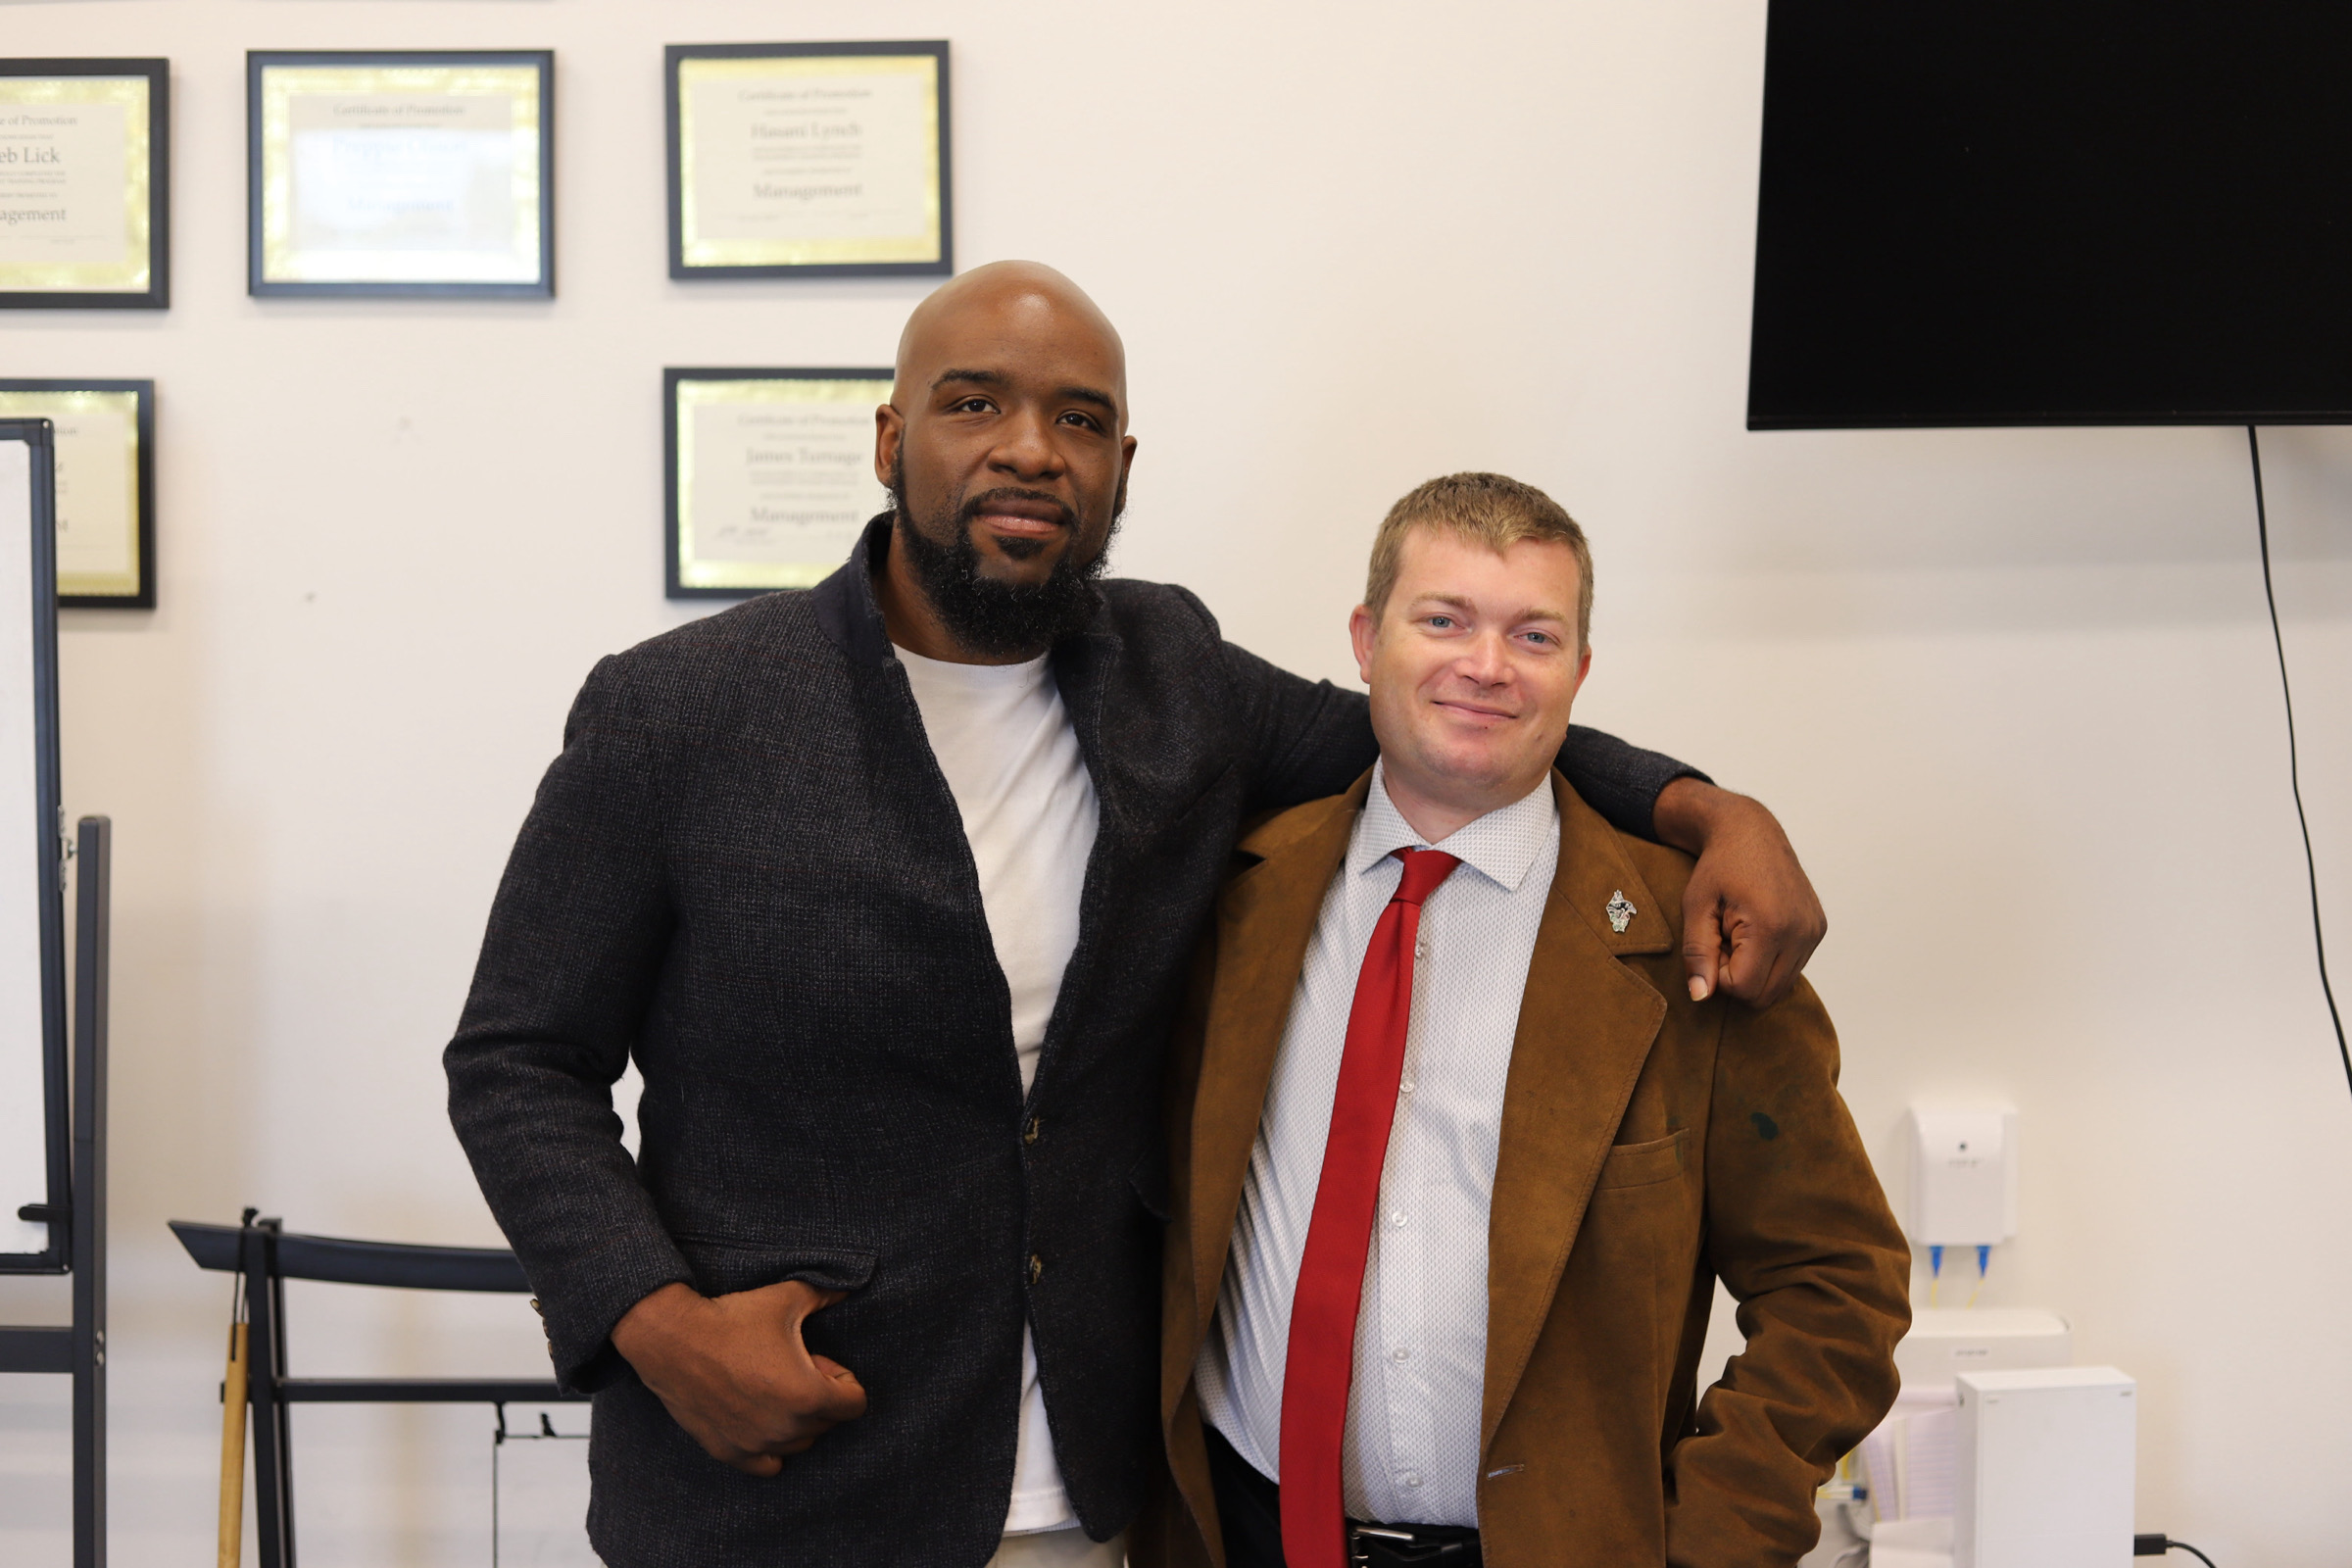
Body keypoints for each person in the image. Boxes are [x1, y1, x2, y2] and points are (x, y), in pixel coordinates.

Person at [444, 266, 1832, 1568]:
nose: (1031, 448)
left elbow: (1440, 724)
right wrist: (656, 1325)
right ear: (889, 441)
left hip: (1098, 1495)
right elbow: (518, 1061)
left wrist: (1707, 810)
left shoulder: (1171, 674)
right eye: (975, 402)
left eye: (1079, 419)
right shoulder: (682, 712)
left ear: (1120, 465)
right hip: (776, 1487)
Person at [1141, 473, 1909, 1568]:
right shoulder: (1232, 896)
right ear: (1365, 640)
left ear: (1580, 671)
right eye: (1444, 620)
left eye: (1534, 635)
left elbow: (1836, 1282)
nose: (1487, 666)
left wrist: (1715, 1539)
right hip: (1243, 1533)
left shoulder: (1694, 942)